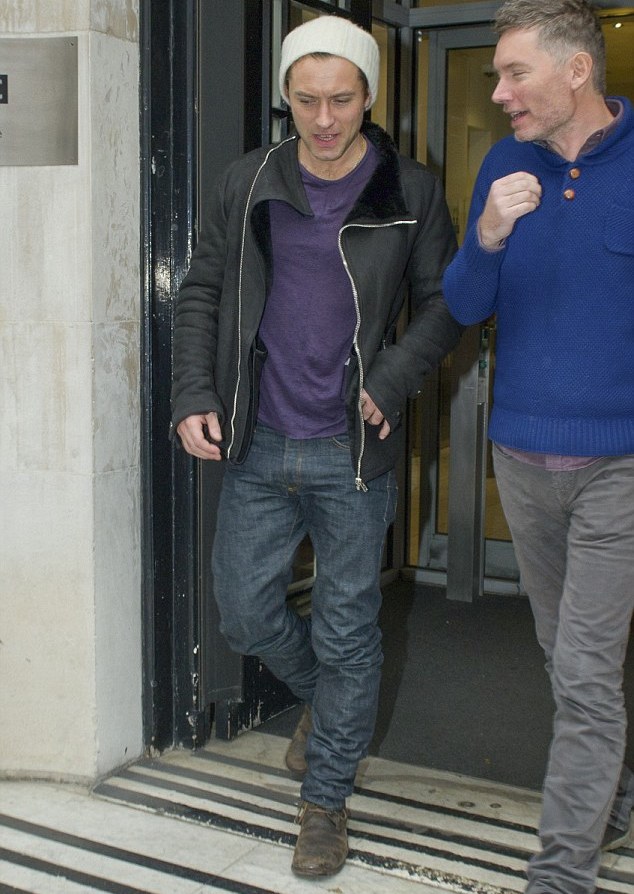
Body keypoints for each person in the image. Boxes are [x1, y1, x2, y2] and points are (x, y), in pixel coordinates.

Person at [171, 14, 462, 879]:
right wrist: (193, 394)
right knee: (244, 609)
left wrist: (393, 378)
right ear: (285, 98)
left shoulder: (409, 190)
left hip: (352, 450)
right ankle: (329, 708)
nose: (325, 119)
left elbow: (445, 305)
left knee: (347, 630)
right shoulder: (248, 179)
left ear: (370, 96)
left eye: (342, 100)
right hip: (258, 438)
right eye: (307, 100)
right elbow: (202, 290)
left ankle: (325, 801)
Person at [442, 2, 634, 892]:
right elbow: (466, 302)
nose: (500, 91)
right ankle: (613, 791)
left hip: (619, 469)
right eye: (494, 74)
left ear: (577, 72)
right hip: (519, 459)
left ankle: (563, 875)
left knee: (588, 676)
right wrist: (485, 235)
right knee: (564, 658)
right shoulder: (503, 163)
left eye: (515, 73)